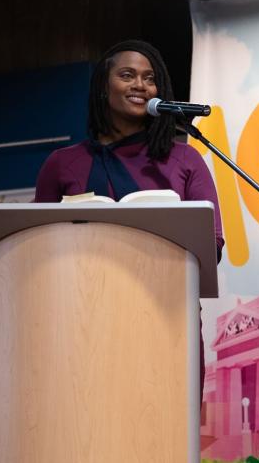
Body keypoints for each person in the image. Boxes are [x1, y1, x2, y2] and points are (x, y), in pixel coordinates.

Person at [34, 39, 224, 389]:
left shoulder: (185, 159)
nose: (140, 85)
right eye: (127, 75)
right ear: (103, 88)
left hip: (167, 319)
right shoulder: (61, 164)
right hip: (83, 321)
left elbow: (210, 245)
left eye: (149, 79)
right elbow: (38, 246)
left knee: (168, 435)